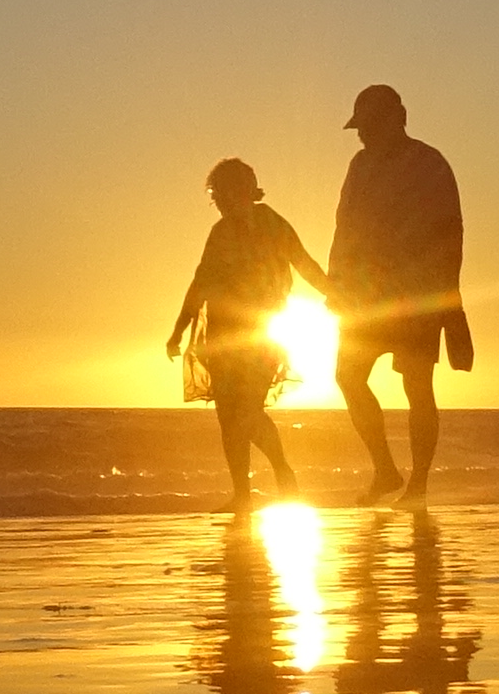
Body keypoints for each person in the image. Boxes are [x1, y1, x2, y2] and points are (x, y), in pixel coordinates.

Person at [327, 83, 469, 501]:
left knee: (417, 385)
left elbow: (451, 235)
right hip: (364, 296)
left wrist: (451, 303)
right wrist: (336, 280)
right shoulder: (359, 165)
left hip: (417, 295)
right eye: (359, 128)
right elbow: (344, 227)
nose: (362, 135)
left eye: (368, 126)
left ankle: (419, 483)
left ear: (396, 119)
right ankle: (385, 471)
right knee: (348, 377)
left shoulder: (430, 164)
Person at [164, 156, 324, 505]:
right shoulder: (219, 232)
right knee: (228, 418)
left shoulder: (272, 223)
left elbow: (304, 262)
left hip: (262, 334)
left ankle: (282, 469)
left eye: (225, 193)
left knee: (248, 413)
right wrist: (178, 330)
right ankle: (242, 495)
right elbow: (200, 283)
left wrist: (337, 294)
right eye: (217, 196)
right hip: (221, 337)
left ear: (247, 190)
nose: (220, 202)